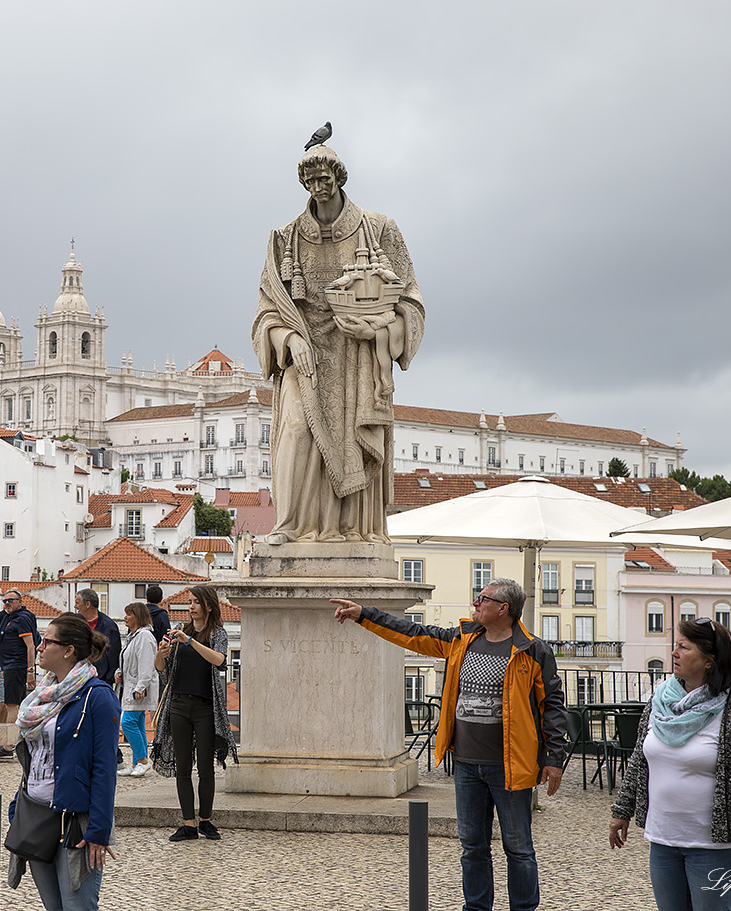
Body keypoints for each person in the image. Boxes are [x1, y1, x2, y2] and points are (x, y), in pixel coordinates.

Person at [333, 578, 567, 911]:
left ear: (504, 608)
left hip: (512, 766)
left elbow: (554, 706)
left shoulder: (533, 650)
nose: (475, 602)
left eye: (482, 598)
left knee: (518, 847)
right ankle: (476, 908)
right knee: (472, 846)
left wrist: (555, 759)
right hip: (467, 765)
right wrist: (364, 615)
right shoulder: (461, 640)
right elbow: (413, 633)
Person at [253, 142, 424, 544]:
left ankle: (352, 531)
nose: (318, 188)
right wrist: (288, 337)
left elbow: (411, 300)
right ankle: (293, 527)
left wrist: (380, 330)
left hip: (359, 357)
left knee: (353, 438)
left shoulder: (379, 229)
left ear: (339, 178)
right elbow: (266, 311)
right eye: (310, 181)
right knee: (295, 430)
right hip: (305, 354)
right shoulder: (285, 239)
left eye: (324, 179)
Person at [609, 618, 731, 911]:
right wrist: (622, 811)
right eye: (676, 646)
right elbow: (639, 760)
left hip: (713, 847)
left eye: (684, 647)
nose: (674, 653)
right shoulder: (659, 702)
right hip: (663, 839)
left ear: (709, 660)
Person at [9, 611, 119, 911]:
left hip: (75, 824)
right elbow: (34, 757)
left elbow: (105, 769)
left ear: (68, 650)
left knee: (78, 908)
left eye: (47, 641)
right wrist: (18, 806)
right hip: (37, 816)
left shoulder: (97, 697)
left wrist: (99, 830)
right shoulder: (41, 696)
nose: (40, 647)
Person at [150, 584, 236, 841]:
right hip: (178, 704)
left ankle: (206, 821)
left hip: (206, 706)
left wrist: (191, 642)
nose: (190, 606)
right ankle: (188, 823)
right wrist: (160, 655)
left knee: (206, 768)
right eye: (189, 602)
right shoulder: (180, 632)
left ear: (208, 606)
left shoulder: (217, 633)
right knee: (183, 767)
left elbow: (219, 660)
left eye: (195, 602)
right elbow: (163, 671)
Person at [76, 589, 123, 767]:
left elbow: (115, 653)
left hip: (101, 679)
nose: (75, 606)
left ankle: (115, 756)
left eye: (78, 602)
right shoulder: (76, 623)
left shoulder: (109, 626)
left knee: (101, 718)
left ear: (88, 604)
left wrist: (109, 678)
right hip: (78, 678)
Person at [0, 590, 38, 757]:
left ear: (20, 601)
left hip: (17, 666)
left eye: (11, 600)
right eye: (5, 600)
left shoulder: (22, 619)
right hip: (9, 667)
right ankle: (8, 742)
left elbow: (30, 646)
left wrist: (30, 671)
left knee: (12, 705)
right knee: (11, 703)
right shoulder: (8, 618)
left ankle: (8, 745)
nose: (7, 603)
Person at [117, 602, 158, 778]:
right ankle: (137, 762)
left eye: (129, 614)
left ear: (138, 616)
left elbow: (146, 663)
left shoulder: (144, 637)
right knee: (138, 722)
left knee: (127, 722)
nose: (125, 617)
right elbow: (128, 660)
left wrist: (141, 686)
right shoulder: (133, 636)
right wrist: (118, 672)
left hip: (138, 688)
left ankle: (142, 760)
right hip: (132, 685)